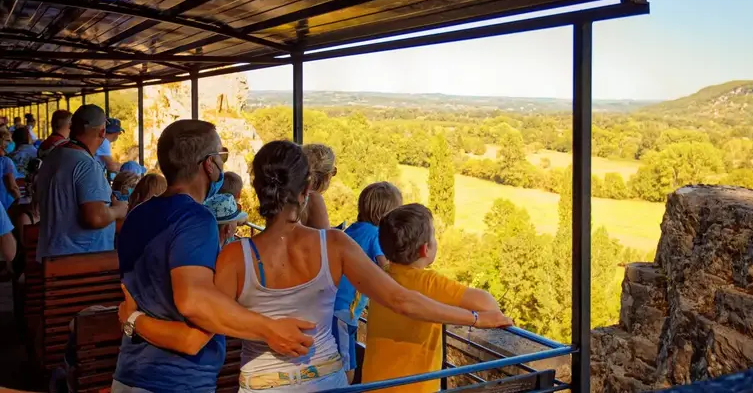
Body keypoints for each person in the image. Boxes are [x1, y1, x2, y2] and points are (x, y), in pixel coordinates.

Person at [119, 140, 512, 392]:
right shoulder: (336, 246)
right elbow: (402, 300)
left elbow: (196, 336)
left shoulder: (235, 257)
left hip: (263, 385)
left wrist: (134, 318)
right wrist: (476, 317)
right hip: (327, 381)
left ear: (257, 190)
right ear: (307, 190)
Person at [113, 120, 315, 393]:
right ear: (209, 165)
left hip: (129, 372)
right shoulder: (196, 219)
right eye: (221, 156)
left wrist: (133, 319)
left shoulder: (137, 215)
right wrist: (269, 329)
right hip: (177, 381)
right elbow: (192, 322)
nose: (222, 164)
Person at [362, 204, 506, 392]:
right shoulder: (430, 283)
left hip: (373, 385)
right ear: (425, 249)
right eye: (434, 236)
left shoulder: (381, 275)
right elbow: (488, 304)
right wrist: (476, 318)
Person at [34, 105, 128, 262]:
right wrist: (118, 210)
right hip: (80, 263)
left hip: (51, 257)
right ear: (102, 132)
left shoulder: (54, 156)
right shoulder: (86, 165)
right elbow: (95, 218)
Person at [333, 181, 401, 382]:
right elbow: (387, 268)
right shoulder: (375, 234)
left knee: (341, 362)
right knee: (346, 368)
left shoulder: (354, 229)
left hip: (335, 307)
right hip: (344, 311)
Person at [300, 144, 336, 229]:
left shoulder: (291, 193)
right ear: (326, 175)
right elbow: (325, 238)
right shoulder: (313, 198)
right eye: (333, 172)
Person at [0, 128, 20, 210]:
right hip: (6, 205)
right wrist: (19, 200)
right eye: (8, 140)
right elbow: (12, 187)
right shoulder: (5, 162)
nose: (11, 143)